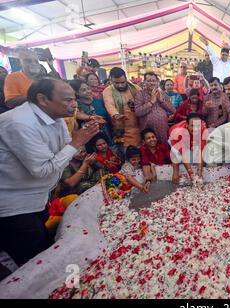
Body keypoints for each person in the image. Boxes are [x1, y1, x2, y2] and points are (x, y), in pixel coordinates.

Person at [0, 79, 99, 266]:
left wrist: (80, 140)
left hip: (38, 198)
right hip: (13, 206)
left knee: (45, 244)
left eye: (74, 98)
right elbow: (43, 170)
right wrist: (77, 143)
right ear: (43, 99)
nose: (74, 104)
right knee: (35, 259)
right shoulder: (20, 123)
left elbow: (65, 148)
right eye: (67, 100)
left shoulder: (56, 117)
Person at [102, 67, 141, 149]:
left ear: (126, 78)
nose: (120, 85)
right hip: (122, 128)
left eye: (123, 82)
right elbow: (109, 105)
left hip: (138, 125)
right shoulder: (107, 91)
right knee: (128, 152)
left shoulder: (135, 88)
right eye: (116, 83)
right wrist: (116, 115)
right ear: (111, 80)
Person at [134, 72, 176, 144]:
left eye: (153, 81)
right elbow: (138, 112)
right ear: (144, 82)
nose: (151, 83)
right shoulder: (140, 94)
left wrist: (162, 101)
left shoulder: (162, 94)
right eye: (149, 81)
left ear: (157, 82)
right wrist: (151, 102)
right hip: (148, 131)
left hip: (162, 130)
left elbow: (173, 110)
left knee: (163, 150)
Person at [169, 112, 207, 184]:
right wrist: (191, 173)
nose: (196, 129)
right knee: (176, 154)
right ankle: (175, 169)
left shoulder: (203, 130)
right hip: (174, 139)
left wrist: (199, 171)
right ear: (187, 125)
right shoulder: (179, 133)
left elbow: (201, 151)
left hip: (191, 139)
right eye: (192, 126)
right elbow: (184, 154)